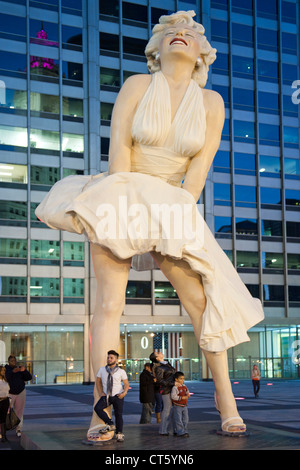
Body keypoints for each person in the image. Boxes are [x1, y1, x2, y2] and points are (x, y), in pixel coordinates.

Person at [35, 10, 264, 439]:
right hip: (123, 189)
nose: (181, 34)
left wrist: (173, 219)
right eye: (171, 32)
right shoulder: (138, 85)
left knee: (201, 301)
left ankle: (226, 401)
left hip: (173, 201)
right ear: (155, 50)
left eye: (191, 33)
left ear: (201, 55)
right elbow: (119, 150)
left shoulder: (212, 102)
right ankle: (100, 414)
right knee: (108, 305)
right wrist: (123, 213)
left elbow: (198, 172)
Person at [93, 350, 129, 442]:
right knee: (97, 408)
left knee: (118, 415)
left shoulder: (121, 371)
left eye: (111, 358)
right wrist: (101, 392)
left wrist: (124, 393)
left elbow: (126, 384)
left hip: (118, 396)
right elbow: (98, 381)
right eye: (108, 357)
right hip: (106, 396)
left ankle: (119, 434)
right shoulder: (102, 370)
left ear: (116, 360)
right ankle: (110, 423)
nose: (109, 359)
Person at [5, 355, 32, 438]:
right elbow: (6, 377)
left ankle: (19, 429)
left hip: (21, 392)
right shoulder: (6, 369)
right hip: (9, 393)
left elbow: (29, 377)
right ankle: (2, 431)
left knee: (19, 411)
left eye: (14, 360)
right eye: (12, 361)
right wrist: (13, 371)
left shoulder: (19, 369)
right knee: (5, 411)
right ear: (8, 362)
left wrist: (24, 371)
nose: (14, 362)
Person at [150, 351, 176, 436]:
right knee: (166, 410)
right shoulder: (159, 367)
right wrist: (173, 384)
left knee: (174, 410)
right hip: (166, 390)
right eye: (158, 353)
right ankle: (163, 430)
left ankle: (173, 429)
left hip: (173, 389)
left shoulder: (167, 364)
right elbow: (160, 381)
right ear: (157, 358)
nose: (160, 352)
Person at [171, 372, 190, 437]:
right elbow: (173, 396)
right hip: (177, 405)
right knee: (178, 419)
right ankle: (180, 432)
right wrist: (181, 398)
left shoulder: (184, 386)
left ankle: (184, 430)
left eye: (183, 379)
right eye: (181, 379)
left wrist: (188, 394)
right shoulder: (175, 387)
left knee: (186, 419)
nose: (182, 380)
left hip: (184, 405)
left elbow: (187, 391)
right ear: (176, 379)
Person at [0, 365, 10, 443]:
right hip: (0, 400)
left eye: (4, 370)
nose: (4, 372)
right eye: (2, 370)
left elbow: (7, 392)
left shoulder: (5, 381)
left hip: (6, 401)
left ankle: (4, 436)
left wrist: (9, 403)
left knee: (4, 419)